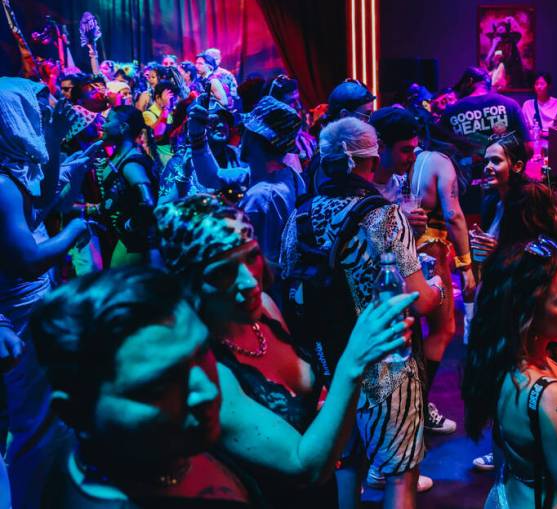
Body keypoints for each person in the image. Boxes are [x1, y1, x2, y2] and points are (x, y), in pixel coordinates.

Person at [31, 265, 417, 509]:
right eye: (158, 385)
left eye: (201, 354)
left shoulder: (166, 452)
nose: (204, 391)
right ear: (75, 411)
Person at [156, 195, 419, 509]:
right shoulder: (205, 371)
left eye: (251, 257)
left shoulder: (264, 310)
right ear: (190, 283)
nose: (248, 281)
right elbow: (303, 465)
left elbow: (315, 405)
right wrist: (355, 359)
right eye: (223, 271)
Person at [280, 117, 442, 506]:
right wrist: (438, 286)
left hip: (328, 365)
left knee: (347, 465)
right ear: (364, 163)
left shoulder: (298, 217)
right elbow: (417, 301)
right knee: (400, 477)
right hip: (386, 366)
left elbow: (289, 289)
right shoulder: (385, 216)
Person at [0, 79, 91, 509]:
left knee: (47, 417)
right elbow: (27, 258)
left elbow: (40, 196)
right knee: (33, 424)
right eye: (33, 113)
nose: (39, 117)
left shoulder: (12, 168)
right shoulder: (1, 184)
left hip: (32, 309)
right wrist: (73, 232)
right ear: (14, 119)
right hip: (18, 318)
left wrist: (54, 139)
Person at [462, 238, 557, 509]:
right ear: (528, 314)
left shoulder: (501, 360)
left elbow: (502, 455)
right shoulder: (548, 395)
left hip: (507, 496)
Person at [372, 107, 474, 436]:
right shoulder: (440, 163)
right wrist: (466, 265)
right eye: (404, 150)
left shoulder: (400, 178)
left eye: (412, 149)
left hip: (414, 254)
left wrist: (409, 224)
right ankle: (411, 412)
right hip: (421, 258)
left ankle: (413, 409)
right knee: (440, 330)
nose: (410, 156)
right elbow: (454, 215)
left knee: (415, 338)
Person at [189, 95, 306, 272]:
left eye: (246, 130)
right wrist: (198, 136)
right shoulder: (285, 175)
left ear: (256, 139)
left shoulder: (260, 196)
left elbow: (246, 260)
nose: (241, 133)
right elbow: (212, 177)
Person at [439, 67, 530, 210]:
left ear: (469, 82)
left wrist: (467, 161)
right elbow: (528, 148)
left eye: (461, 85)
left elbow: (441, 155)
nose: (459, 90)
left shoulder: (451, 111)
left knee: (471, 228)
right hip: (504, 186)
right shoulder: (510, 105)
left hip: (466, 190)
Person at [94, 105, 160, 266]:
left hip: (136, 246)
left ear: (123, 127)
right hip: (127, 242)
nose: (104, 125)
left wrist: (130, 225)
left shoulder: (131, 164)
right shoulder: (120, 157)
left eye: (109, 121)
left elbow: (148, 202)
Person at [158, 106, 241, 204]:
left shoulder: (237, 155)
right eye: (214, 121)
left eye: (224, 120)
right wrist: (183, 177)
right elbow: (163, 207)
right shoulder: (178, 163)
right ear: (196, 126)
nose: (221, 125)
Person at [520, 73, 557, 138]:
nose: (539, 87)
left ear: (549, 85)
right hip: (535, 139)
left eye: (542, 84)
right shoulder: (527, 105)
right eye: (536, 84)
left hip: (554, 138)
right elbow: (523, 127)